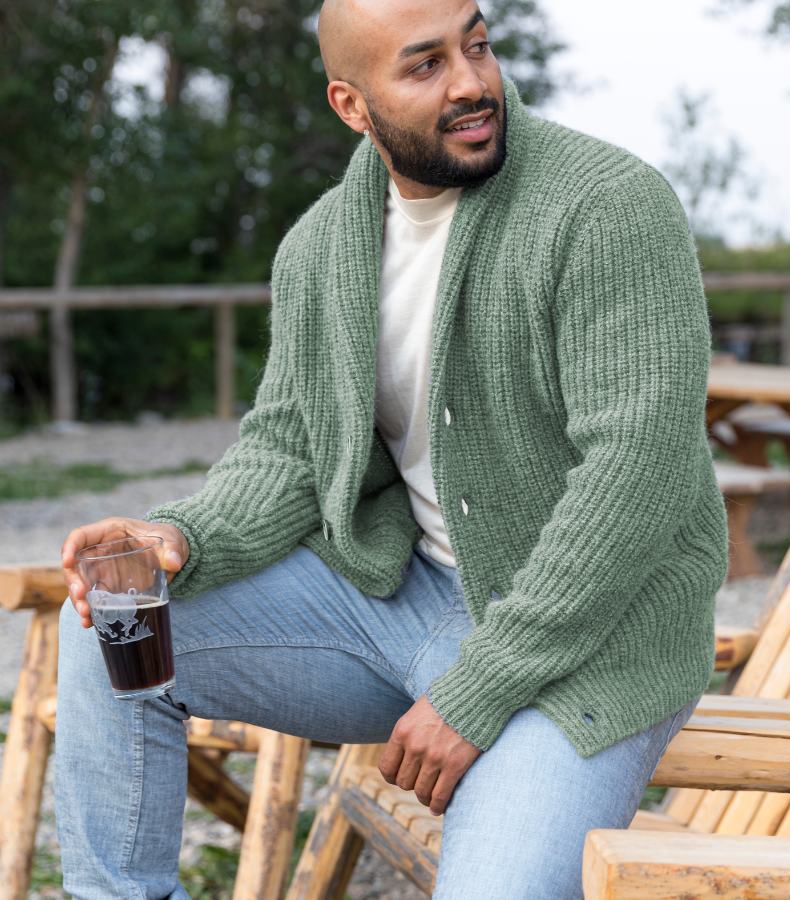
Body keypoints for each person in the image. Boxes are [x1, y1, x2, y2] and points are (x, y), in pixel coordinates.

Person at [57, 0, 728, 896]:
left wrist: (479, 686)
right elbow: (292, 446)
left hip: (589, 642)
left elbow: (633, 478)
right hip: (397, 602)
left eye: (477, 45)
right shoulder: (319, 247)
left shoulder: (607, 207)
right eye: (424, 66)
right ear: (351, 103)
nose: (470, 83)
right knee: (114, 618)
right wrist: (181, 537)